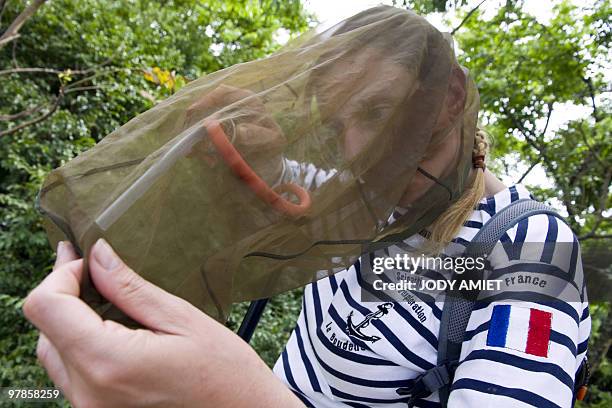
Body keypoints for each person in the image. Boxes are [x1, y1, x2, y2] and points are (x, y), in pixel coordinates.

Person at [23, 6, 589, 408]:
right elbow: (284, 184)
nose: (358, 152)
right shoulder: (363, 198)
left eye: (377, 112)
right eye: (339, 123)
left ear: (452, 99)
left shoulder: (530, 251)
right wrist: (256, 151)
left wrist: (240, 397)